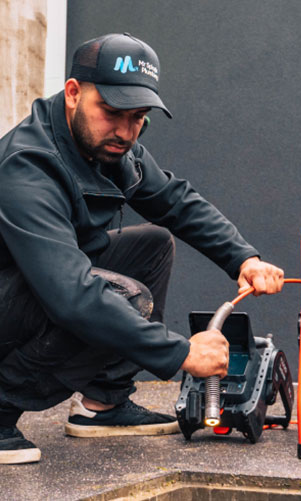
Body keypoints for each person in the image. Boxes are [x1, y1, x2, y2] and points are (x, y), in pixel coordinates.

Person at [0, 33, 284, 464]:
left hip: (35, 286)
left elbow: (173, 200)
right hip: (22, 293)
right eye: (112, 113)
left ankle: (104, 404)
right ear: (74, 93)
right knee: (113, 296)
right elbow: (71, 295)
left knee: (151, 244)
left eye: (138, 117)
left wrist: (243, 256)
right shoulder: (27, 167)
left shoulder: (106, 146)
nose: (126, 131)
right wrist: (181, 352)